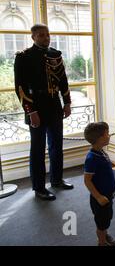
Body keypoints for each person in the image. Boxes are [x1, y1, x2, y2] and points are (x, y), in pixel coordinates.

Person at [14, 24, 73, 201]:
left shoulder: (56, 54)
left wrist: (67, 102)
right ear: (33, 37)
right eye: (41, 35)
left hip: (54, 105)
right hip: (36, 107)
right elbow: (20, 87)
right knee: (38, 149)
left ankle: (56, 179)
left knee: (56, 146)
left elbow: (63, 80)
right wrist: (30, 112)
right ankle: (39, 187)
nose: (46, 38)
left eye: (47, 35)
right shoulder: (24, 57)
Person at [83, 122, 115, 246]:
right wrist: (98, 197)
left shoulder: (101, 152)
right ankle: (101, 242)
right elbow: (87, 180)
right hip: (100, 198)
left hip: (107, 195)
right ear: (99, 139)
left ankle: (104, 233)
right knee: (101, 222)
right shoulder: (92, 158)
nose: (109, 136)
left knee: (106, 219)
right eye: (106, 134)